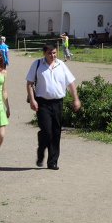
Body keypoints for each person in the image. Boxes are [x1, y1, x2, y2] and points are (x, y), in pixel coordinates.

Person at [26, 41, 81, 170]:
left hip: (58, 103)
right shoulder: (37, 64)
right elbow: (29, 83)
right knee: (46, 131)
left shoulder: (61, 65)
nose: (53, 55)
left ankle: (52, 161)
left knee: (56, 132)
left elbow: (71, 83)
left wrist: (75, 99)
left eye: (55, 53)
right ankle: (41, 151)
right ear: (44, 53)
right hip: (42, 102)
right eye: (50, 53)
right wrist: (33, 100)